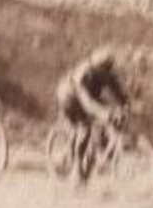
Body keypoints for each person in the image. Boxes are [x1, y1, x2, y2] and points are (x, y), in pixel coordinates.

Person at [55, 47, 130, 183]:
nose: (109, 71)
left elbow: (117, 90)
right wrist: (106, 114)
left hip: (88, 97)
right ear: (97, 67)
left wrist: (125, 105)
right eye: (106, 67)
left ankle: (93, 156)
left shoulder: (106, 73)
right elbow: (88, 103)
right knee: (84, 129)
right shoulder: (83, 74)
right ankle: (77, 168)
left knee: (105, 122)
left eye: (110, 67)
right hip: (70, 97)